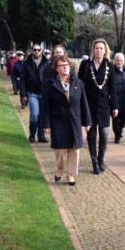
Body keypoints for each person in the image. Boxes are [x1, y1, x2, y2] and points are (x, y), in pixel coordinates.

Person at [41, 55, 92, 186]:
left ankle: (70, 174)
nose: (65, 67)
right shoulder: (49, 84)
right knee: (60, 149)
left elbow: (83, 103)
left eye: (67, 65)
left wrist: (87, 121)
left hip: (74, 120)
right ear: (56, 68)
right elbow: (45, 105)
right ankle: (59, 168)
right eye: (62, 65)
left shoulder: (78, 83)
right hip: (58, 120)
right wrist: (46, 123)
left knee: (74, 149)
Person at [78, 38, 118, 174]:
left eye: (101, 48)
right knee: (91, 133)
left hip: (104, 105)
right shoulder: (86, 65)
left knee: (104, 133)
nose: (99, 50)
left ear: (105, 50)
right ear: (93, 50)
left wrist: (115, 107)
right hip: (89, 104)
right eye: (96, 48)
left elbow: (113, 88)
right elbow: (80, 85)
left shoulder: (109, 66)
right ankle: (94, 161)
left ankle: (101, 159)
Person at [20, 43, 49, 143]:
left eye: (38, 50)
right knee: (35, 114)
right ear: (31, 51)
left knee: (42, 115)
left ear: (41, 51)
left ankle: (41, 135)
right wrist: (23, 94)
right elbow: (22, 80)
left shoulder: (46, 63)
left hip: (44, 93)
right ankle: (32, 134)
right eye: (35, 50)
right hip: (32, 93)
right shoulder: (26, 63)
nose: (36, 52)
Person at [112, 52, 125, 144]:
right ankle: (117, 136)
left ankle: (121, 128)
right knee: (115, 122)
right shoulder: (111, 72)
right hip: (115, 102)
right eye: (117, 60)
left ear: (124, 61)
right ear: (115, 61)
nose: (119, 62)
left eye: (121, 60)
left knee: (123, 120)